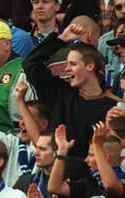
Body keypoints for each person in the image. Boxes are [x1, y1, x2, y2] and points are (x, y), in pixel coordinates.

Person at [23, 26, 119, 167]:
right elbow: (30, 64)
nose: (67, 69)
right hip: (56, 174)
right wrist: (62, 39)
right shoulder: (60, 93)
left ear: (90, 66)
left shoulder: (112, 106)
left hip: (89, 179)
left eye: (73, 64)